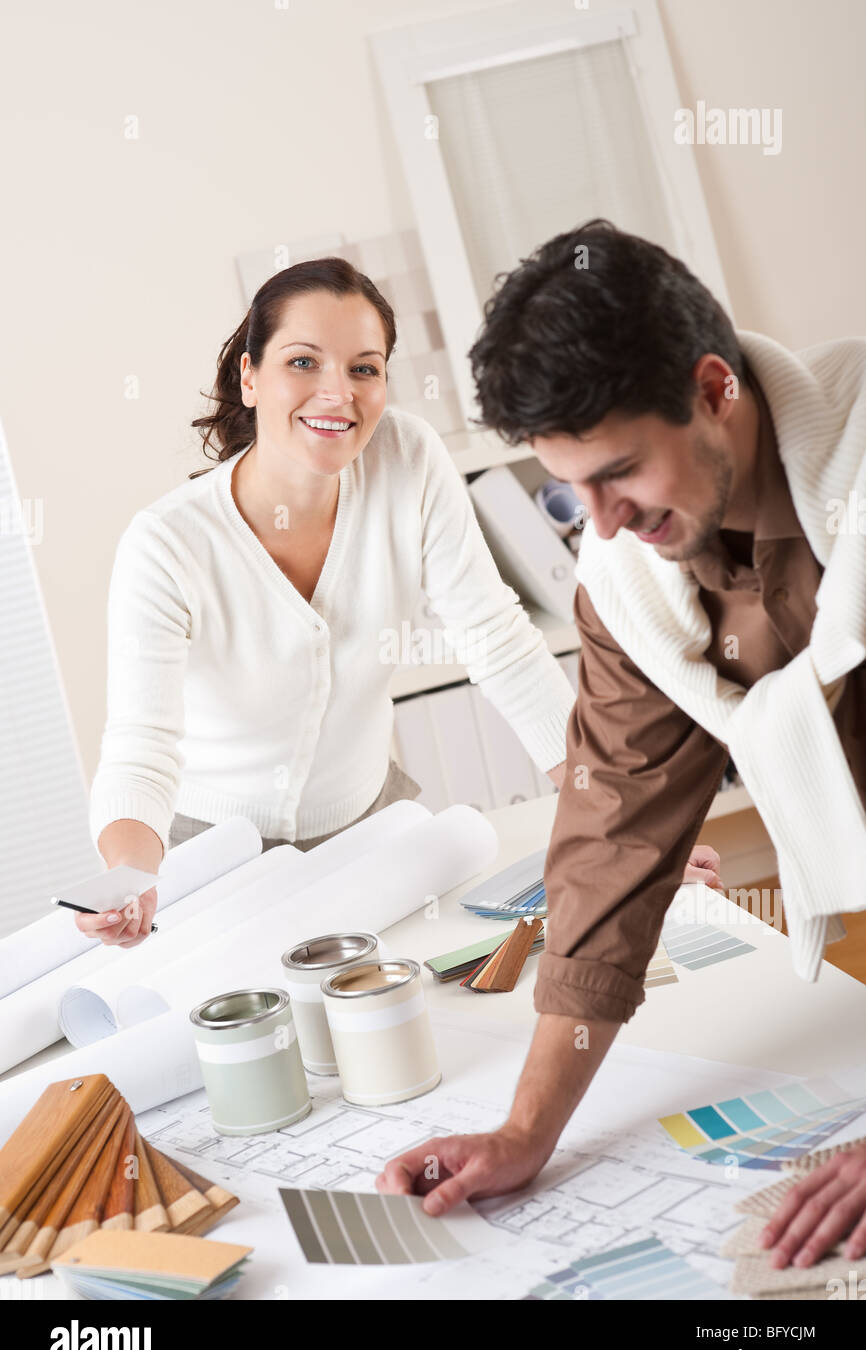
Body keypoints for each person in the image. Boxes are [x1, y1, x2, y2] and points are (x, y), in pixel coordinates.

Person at [376, 220, 866, 1274]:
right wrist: (524, 1134)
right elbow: (610, 842)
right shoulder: (630, 580)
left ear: (712, 389)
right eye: (567, 490)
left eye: (618, 472)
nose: (597, 523)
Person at [78, 258, 582, 949]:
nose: (336, 394)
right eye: (304, 362)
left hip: (373, 824)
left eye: (363, 369)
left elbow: (497, 640)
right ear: (250, 377)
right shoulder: (167, 543)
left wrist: (612, 814)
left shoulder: (408, 457)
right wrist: (130, 877)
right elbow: (140, 748)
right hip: (209, 852)